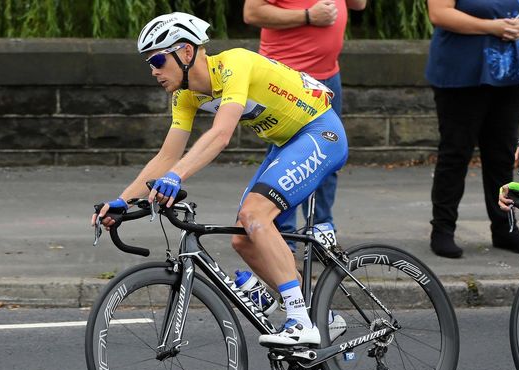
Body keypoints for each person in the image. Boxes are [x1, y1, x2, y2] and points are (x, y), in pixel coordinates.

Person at [92, 12, 348, 346]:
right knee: (243, 239)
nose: (153, 70)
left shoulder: (234, 65)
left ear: (186, 52)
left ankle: (301, 321)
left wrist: (176, 176)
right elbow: (166, 156)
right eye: (149, 63)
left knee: (254, 216)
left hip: (321, 132)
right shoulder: (185, 96)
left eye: (157, 59)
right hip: (286, 143)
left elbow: (222, 134)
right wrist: (122, 202)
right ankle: (322, 318)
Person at [243, 0, 367, 250]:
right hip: (287, 79)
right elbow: (252, 12)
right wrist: (308, 16)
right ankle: (283, 233)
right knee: (288, 159)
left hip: (327, 76)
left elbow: (358, 4)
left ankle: (322, 225)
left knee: (328, 152)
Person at [426, 0, 519, 258]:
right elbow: (439, 13)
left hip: (511, 71)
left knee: (502, 153)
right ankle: (442, 229)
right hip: (462, 71)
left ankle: (504, 228)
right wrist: (492, 27)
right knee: (456, 152)